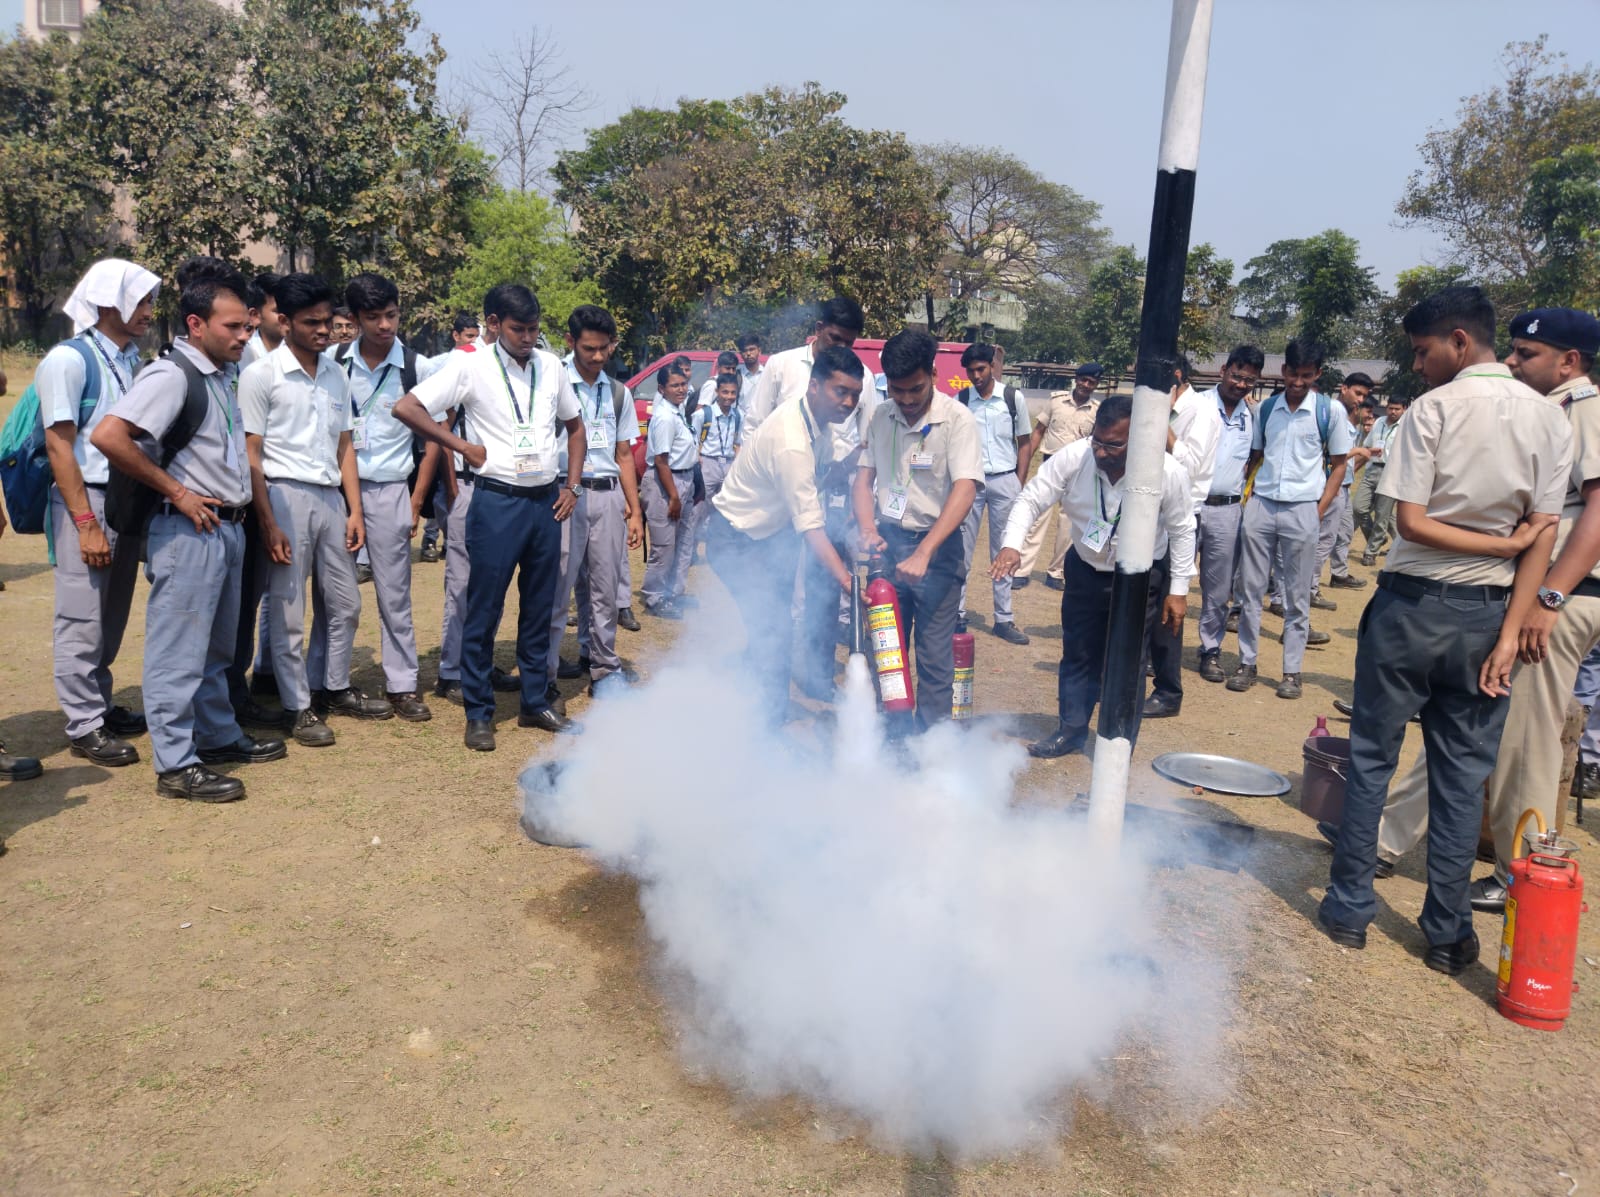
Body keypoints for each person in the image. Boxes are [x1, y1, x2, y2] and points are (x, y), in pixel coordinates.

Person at [1319, 286, 1571, 975]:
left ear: (1460, 342)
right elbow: (1539, 539)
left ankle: (1348, 911)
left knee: (1372, 759)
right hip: (1488, 617)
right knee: (1461, 780)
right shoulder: (1551, 421)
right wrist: (1511, 629)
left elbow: (1410, 522)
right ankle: (1448, 934)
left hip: (1412, 607)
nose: (1420, 365)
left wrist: (1493, 551)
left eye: (1424, 350)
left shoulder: (1433, 411)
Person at [1356, 307, 1600, 914]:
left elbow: (1591, 517)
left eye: (1528, 355)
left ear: (1570, 362)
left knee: (1525, 743)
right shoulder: (1549, 413)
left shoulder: (1583, 411)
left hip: (1555, 597)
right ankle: (1393, 847)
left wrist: (1547, 600)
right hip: (1517, 594)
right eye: (1513, 351)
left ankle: (1522, 869)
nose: (1514, 363)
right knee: (1462, 740)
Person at [91, 258, 287, 801]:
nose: (245, 336)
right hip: (185, 531)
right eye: (233, 327)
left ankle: (217, 735)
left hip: (225, 529)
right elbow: (109, 436)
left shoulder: (221, 374)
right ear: (196, 324)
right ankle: (176, 765)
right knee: (178, 653)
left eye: (248, 326)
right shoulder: (170, 375)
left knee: (215, 651)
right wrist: (176, 490)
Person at [394, 283, 586, 752]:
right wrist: (461, 446)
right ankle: (478, 711)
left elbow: (575, 427)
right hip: (497, 501)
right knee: (483, 608)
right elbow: (407, 407)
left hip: (545, 503)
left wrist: (572, 486)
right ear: (494, 324)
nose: (527, 338)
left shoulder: (552, 365)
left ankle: (535, 701)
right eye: (518, 329)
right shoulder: (469, 366)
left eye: (534, 329)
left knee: (539, 607)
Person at [995, 394, 1194, 758]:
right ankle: (1071, 730)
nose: (1101, 453)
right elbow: (1031, 499)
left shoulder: (1168, 472)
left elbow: (1182, 530)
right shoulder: (1076, 457)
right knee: (1078, 653)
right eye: (1098, 442)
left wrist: (1178, 591)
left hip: (1140, 579)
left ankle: (1118, 742)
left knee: (1128, 661)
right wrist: (1012, 545)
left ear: (1138, 439)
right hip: (1086, 569)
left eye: (1113, 445)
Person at [242, 273, 392, 750]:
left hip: (330, 497)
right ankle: (295, 706)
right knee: (287, 609)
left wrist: (354, 510)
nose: (325, 331)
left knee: (345, 603)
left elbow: (345, 444)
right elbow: (252, 454)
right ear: (284, 322)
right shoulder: (261, 375)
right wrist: (267, 521)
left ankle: (332, 686)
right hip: (284, 496)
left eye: (329, 321)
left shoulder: (335, 372)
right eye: (312, 323)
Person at [40, 259, 161, 768]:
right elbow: (59, 445)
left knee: (111, 613)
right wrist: (85, 524)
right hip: (85, 500)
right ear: (109, 300)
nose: (149, 312)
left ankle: (100, 703)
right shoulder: (68, 360)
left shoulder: (131, 359)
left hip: (123, 496)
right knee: (80, 615)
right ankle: (84, 723)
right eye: (141, 301)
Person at [707, 345, 863, 721]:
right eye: (840, 391)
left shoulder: (818, 425)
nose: (848, 402)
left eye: (855, 395)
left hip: (770, 539)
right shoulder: (791, 439)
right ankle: (766, 729)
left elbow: (814, 484)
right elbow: (810, 524)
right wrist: (848, 582)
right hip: (736, 541)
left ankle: (741, 705)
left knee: (771, 631)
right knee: (773, 632)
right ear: (814, 386)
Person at [853, 330, 982, 737]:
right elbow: (863, 479)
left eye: (916, 389)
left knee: (934, 658)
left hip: (938, 553)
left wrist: (925, 551)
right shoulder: (880, 415)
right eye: (897, 389)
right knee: (887, 652)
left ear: (933, 375)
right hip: (889, 548)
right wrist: (867, 528)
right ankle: (893, 740)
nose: (906, 400)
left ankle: (931, 749)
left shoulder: (957, 420)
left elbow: (966, 488)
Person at [746, 297, 870, 701]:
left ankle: (816, 674)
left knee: (821, 592)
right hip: (778, 501)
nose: (842, 348)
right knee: (775, 598)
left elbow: (864, 438)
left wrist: (842, 473)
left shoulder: (859, 375)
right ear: (819, 328)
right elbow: (753, 426)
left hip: (828, 496)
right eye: (835, 338)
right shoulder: (782, 366)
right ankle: (762, 679)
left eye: (850, 343)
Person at [333, 272, 443, 722]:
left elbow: (434, 436)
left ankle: (402, 684)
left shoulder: (418, 368)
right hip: (335, 491)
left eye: (392, 315)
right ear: (355, 319)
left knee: (394, 593)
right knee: (336, 596)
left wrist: (416, 500)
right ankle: (331, 683)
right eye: (373, 317)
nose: (385, 325)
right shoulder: (332, 363)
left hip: (389, 492)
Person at [1226, 338, 1353, 700]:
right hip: (1263, 505)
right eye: (1293, 374)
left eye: (1307, 376)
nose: (1298, 382)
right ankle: (1247, 663)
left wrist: (1318, 509)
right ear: (1283, 372)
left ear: (1318, 375)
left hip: (1303, 509)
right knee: (1250, 590)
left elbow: (1340, 465)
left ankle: (1291, 671)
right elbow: (1256, 457)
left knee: (1297, 595)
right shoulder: (1265, 409)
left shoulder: (1328, 412)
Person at [546, 304, 644, 699]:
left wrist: (634, 509)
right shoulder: (552, 384)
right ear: (571, 343)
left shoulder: (619, 391)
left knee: (605, 589)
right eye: (589, 349)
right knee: (556, 589)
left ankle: (604, 668)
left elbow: (623, 455)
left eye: (605, 348)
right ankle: (546, 676)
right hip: (563, 495)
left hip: (607, 496)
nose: (599, 357)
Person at [1144, 354, 1223, 717]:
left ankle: (1168, 691)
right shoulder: (1165, 406)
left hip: (1179, 520)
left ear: (1175, 378)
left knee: (1168, 607)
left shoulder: (1202, 413)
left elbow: (1191, 468)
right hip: (1148, 516)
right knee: (1143, 602)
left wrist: (1164, 428)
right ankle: (1139, 673)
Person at [955, 343, 1033, 644]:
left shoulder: (1013, 398)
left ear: (992, 366)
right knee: (961, 550)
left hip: (1004, 481)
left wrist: (1018, 480)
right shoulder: (961, 400)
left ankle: (1003, 619)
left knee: (1004, 550)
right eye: (970, 371)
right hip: (970, 484)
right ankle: (957, 614)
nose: (976, 376)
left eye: (981, 369)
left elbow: (1024, 442)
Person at [1194, 347, 1263, 682]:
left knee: (1218, 590)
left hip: (1228, 510)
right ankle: (1154, 650)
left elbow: (1255, 457)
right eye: (1236, 375)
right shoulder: (1197, 405)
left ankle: (1210, 650)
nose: (1240, 383)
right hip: (1189, 504)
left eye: (1248, 379)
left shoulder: (1254, 416)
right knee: (1168, 580)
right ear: (1223, 370)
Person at [1019, 363, 1104, 589]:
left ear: (1096, 385)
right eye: (1083, 380)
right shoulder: (1056, 401)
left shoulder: (1096, 410)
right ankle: (1022, 569)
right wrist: (1025, 464)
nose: (1086, 385)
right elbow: (1038, 433)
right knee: (1037, 518)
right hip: (1050, 467)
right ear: (1076, 379)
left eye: (1092, 382)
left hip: (1077, 473)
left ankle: (1056, 572)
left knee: (1068, 524)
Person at [1307, 372, 1375, 611]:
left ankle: (1336, 574)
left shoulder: (1345, 418)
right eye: (1357, 393)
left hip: (1343, 486)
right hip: (1332, 486)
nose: (1360, 400)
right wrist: (1358, 452)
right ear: (1344, 388)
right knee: (1323, 540)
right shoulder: (1332, 414)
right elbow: (1331, 454)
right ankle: (1309, 589)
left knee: (1341, 534)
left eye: (1364, 396)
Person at [640, 363, 700, 616]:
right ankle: (654, 597)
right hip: (666, 483)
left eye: (684, 384)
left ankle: (674, 593)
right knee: (664, 546)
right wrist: (674, 496)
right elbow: (662, 460)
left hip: (685, 479)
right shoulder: (664, 417)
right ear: (662, 389)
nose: (681, 389)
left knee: (684, 541)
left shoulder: (678, 412)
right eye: (674, 385)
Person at [1355, 396, 1408, 564]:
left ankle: (1371, 552)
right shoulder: (1378, 423)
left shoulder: (1407, 427)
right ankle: (1377, 538)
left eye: (1397, 409)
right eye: (1390, 408)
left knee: (1382, 515)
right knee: (1358, 508)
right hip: (1372, 470)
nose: (1393, 412)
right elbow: (1367, 445)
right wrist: (1371, 451)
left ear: (1404, 409)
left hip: (1392, 472)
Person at [238, 272, 284, 371]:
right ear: (255, 315)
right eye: (279, 311)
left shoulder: (306, 352)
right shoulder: (243, 353)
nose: (287, 316)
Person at [736, 332, 763, 413]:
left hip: (764, 423)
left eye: (751, 349)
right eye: (745, 351)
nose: (748, 354)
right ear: (740, 354)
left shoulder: (768, 374)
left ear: (759, 351)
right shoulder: (736, 376)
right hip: (742, 423)